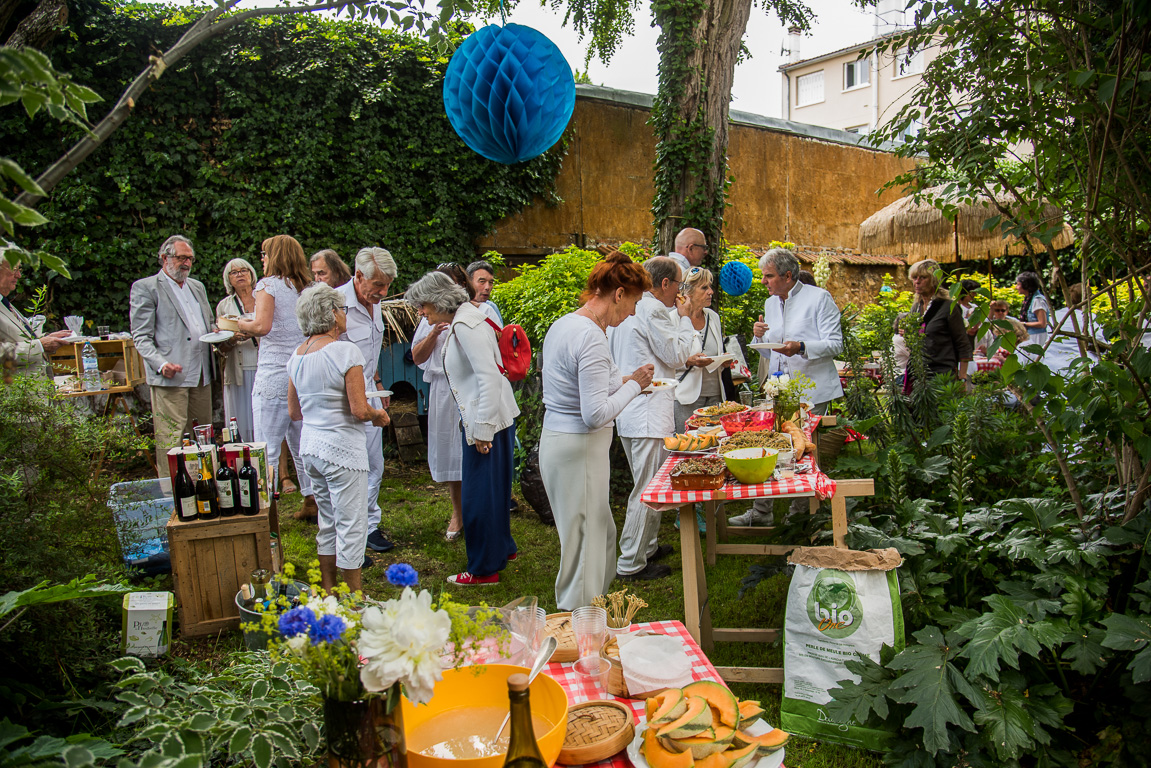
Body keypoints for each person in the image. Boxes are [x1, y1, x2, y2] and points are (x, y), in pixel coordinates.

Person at [540, 251, 654, 610]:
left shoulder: (566, 324)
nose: (633, 312)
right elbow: (594, 413)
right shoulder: (589, 337)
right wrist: (634, 385)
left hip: (566, 444)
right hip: (580, 447)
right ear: (618, 294)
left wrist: (625, 382)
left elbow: (585, 386)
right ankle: (579, 630)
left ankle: (592, 617)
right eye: (634, 302)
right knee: (585, 547)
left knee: (602, 536)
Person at [406, 271, 520, 585]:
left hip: (488, 421)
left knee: (477, 497)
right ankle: (501, 549)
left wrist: (482, 431)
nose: (421, 312)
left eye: (424, 305)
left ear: (440, 301)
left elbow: (488, 378)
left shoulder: (465, 325)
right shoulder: (469, 317)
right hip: (496, 416)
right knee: (494, 491)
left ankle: (483, 569)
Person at [287, 284, 390, 593]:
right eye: (343, 309)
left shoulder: (298, 354)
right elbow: (359, 410)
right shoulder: (345, 350)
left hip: (311, 448)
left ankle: (330, 592)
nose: (345, 315)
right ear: (332, 314)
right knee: (352, 525)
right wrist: (379, 416)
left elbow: (294, 411)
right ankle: (355, 599)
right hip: (342, 449)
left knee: (328, 522)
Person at [733, 248, 843, 527]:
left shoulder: (819, 299)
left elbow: (835, 343)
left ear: (788, 275)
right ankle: (762, 511)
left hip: (812, 389)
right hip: (778, 388)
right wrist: (762, 337)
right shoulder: (771, 303)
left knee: (803, 448)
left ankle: (800, 514)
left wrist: (802, 347)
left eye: (768, 276)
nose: (763, 282)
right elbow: (773, 352)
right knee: (769, 443)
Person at [608, 256, 700, 583]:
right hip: (647, 412)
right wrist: (687, 318)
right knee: (647, 490)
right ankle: (631, 563)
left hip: (632, 409)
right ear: (665, 284)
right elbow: (675, 355)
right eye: (678, 284)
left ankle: (647, 547)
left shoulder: (634, 310)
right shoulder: (652, 309)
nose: (680, 291)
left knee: (646, 484)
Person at [237, 235, 316, 518]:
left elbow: (262, 326)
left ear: (276, 255)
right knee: (301, 442)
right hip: (304, 373)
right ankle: (312, 501)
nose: (262, 258)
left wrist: (238, 324)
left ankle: (264, 512)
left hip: (273, 375)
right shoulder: (310, 287)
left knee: (266, 445)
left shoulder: (267, 285)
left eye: (264, 253)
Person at [129, 235, 216, 473]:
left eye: (190, 258)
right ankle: (173, 495)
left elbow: (208, 324)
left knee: (203, 434)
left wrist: (219, 333)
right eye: (181, 258)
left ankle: (204, 484)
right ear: (164, 258)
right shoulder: (146, 287)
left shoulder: (197, 287)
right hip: (171, 374)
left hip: (202, 373)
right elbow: (141, 336)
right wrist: (160, 364)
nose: (186, 263)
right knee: (172, 438)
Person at [335, 247, 397, 554]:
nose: (383, 292)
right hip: (343, 402)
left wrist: (376, 382)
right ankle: (348, 529)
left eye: (387, 286)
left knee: (375, 464)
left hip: (370, 395)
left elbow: (369, 352)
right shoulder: (335, 304)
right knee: (348, 468)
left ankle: (370, 525)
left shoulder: (376, 302)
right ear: (358, 276)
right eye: (378, 286)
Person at [411, 264, 475, 543]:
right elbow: (416, 357)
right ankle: (458, 513)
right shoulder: (427, 319)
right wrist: (433, 333)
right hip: (441, 388)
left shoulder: (472, 316)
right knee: (450, 453)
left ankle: (478, 512)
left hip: (468, 388)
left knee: (473, 450)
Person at [673, 266, 730, 432]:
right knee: (688, 445)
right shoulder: (672, 319)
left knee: (715, 442)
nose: (711, 292)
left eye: (710, 287)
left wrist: (723, 360)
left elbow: (717, 351)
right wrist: (689, 361)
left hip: (715, 395)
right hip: (686, 397)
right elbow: (665, 360)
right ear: (688, 292)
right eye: (704, 288)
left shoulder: (713, 317)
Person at [0, 259, 71, 378]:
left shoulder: (5, 304)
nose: (19, 275)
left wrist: (46, 340)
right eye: (14, 269)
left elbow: (18, 340)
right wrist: (39, 345)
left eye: (19, 269)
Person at [215, 258, 260, 443]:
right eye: (234, 272)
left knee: (263, 417)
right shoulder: (224, 306)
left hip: (262, 365)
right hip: (238, 370)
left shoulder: (263, 299)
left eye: (244, 270)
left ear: (252, 274)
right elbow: (220, 344)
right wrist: (232, 338)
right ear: (228, 279)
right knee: (241, 420)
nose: (240, 274)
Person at [905, 259, 972, 379]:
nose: (917, 282)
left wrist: (962, 376)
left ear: (933, 280)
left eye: (923, 278)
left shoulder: (948, 306)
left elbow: (962, 343)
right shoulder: (916, 307)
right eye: (915, 278)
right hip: (919, 374)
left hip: (942, 373)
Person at [1045, 283, 1105, 377]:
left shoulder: (1054, 316)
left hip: (1053, 369)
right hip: (1081, 370)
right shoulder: (1089, 317)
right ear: (1089, 298)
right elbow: (1101, 344)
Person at [1015, 271, 1051, 356]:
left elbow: (1042, 323)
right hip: (1031, 335)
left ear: (1026, 285)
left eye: (1018, 284)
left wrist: (1023, 324)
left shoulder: (1037, 300)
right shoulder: (1029, 299)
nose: (1016, 287)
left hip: (1037, 336)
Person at [466, 260, 504, 324]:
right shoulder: (456, 307)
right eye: (482, 281)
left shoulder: (492, 307)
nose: (487, 287)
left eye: (491, 282)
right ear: (469, 282)